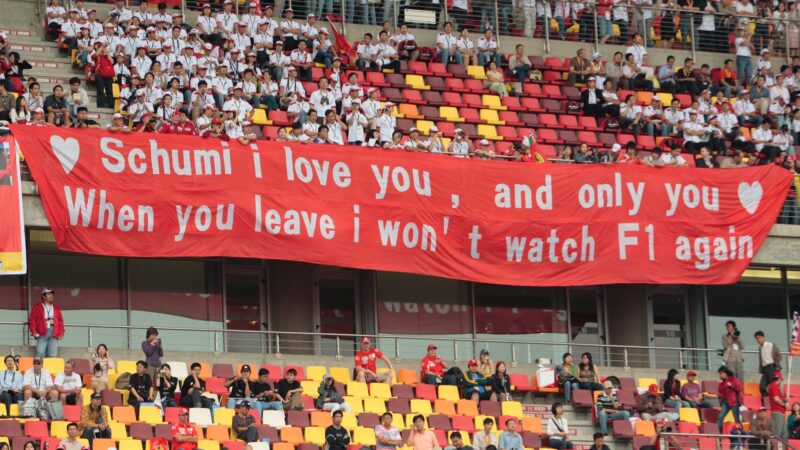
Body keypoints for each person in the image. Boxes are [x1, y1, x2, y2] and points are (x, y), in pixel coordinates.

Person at [28, 287, 64, 359]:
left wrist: (61, 333)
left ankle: (49, 370)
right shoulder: (37, 306)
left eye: (52, 294)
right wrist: (34, 331)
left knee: (52, 355)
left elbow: (60, 321)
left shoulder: (56, 307)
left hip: (54, 331)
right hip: (42, 331)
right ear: (43, 296)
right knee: (40, 353)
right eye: (48, 294)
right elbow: (32, 320)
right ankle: (38, 369)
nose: (51, 296)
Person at [756, 331, 782, 396]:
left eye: (760, 338)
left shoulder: (770, 345)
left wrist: (776, 365)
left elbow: (779, 355)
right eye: (757, 338)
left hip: (771, 367)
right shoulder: (760, 348)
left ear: (763, 338)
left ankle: (775, 401)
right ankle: (767, 403)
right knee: (762, 387)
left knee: (773, 387)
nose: (758, 340)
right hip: (765, 369)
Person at [717, 366, 743, 430]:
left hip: (734, 402)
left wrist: (731, 385)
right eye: (720, 374)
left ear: (726, 372)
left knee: (737, 420)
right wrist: (720, 383)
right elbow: (720, 391)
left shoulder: (734, 379)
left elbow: (739, 388)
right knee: (720, 418)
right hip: (726, 402)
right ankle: (720, 435)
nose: (721, 375)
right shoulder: (723, 382)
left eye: (722, 373)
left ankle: (742, 435)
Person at [767, 372, 787, 441]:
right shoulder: (774, 385)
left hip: (780, 412)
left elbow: (777, 398)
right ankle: (777, 448)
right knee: (778, 435)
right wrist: (784, 405)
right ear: (779, 378)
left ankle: (781, 448)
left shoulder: (775, 386)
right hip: (777, 412)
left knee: (784, 435)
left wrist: (784, 400)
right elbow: (776, 399)